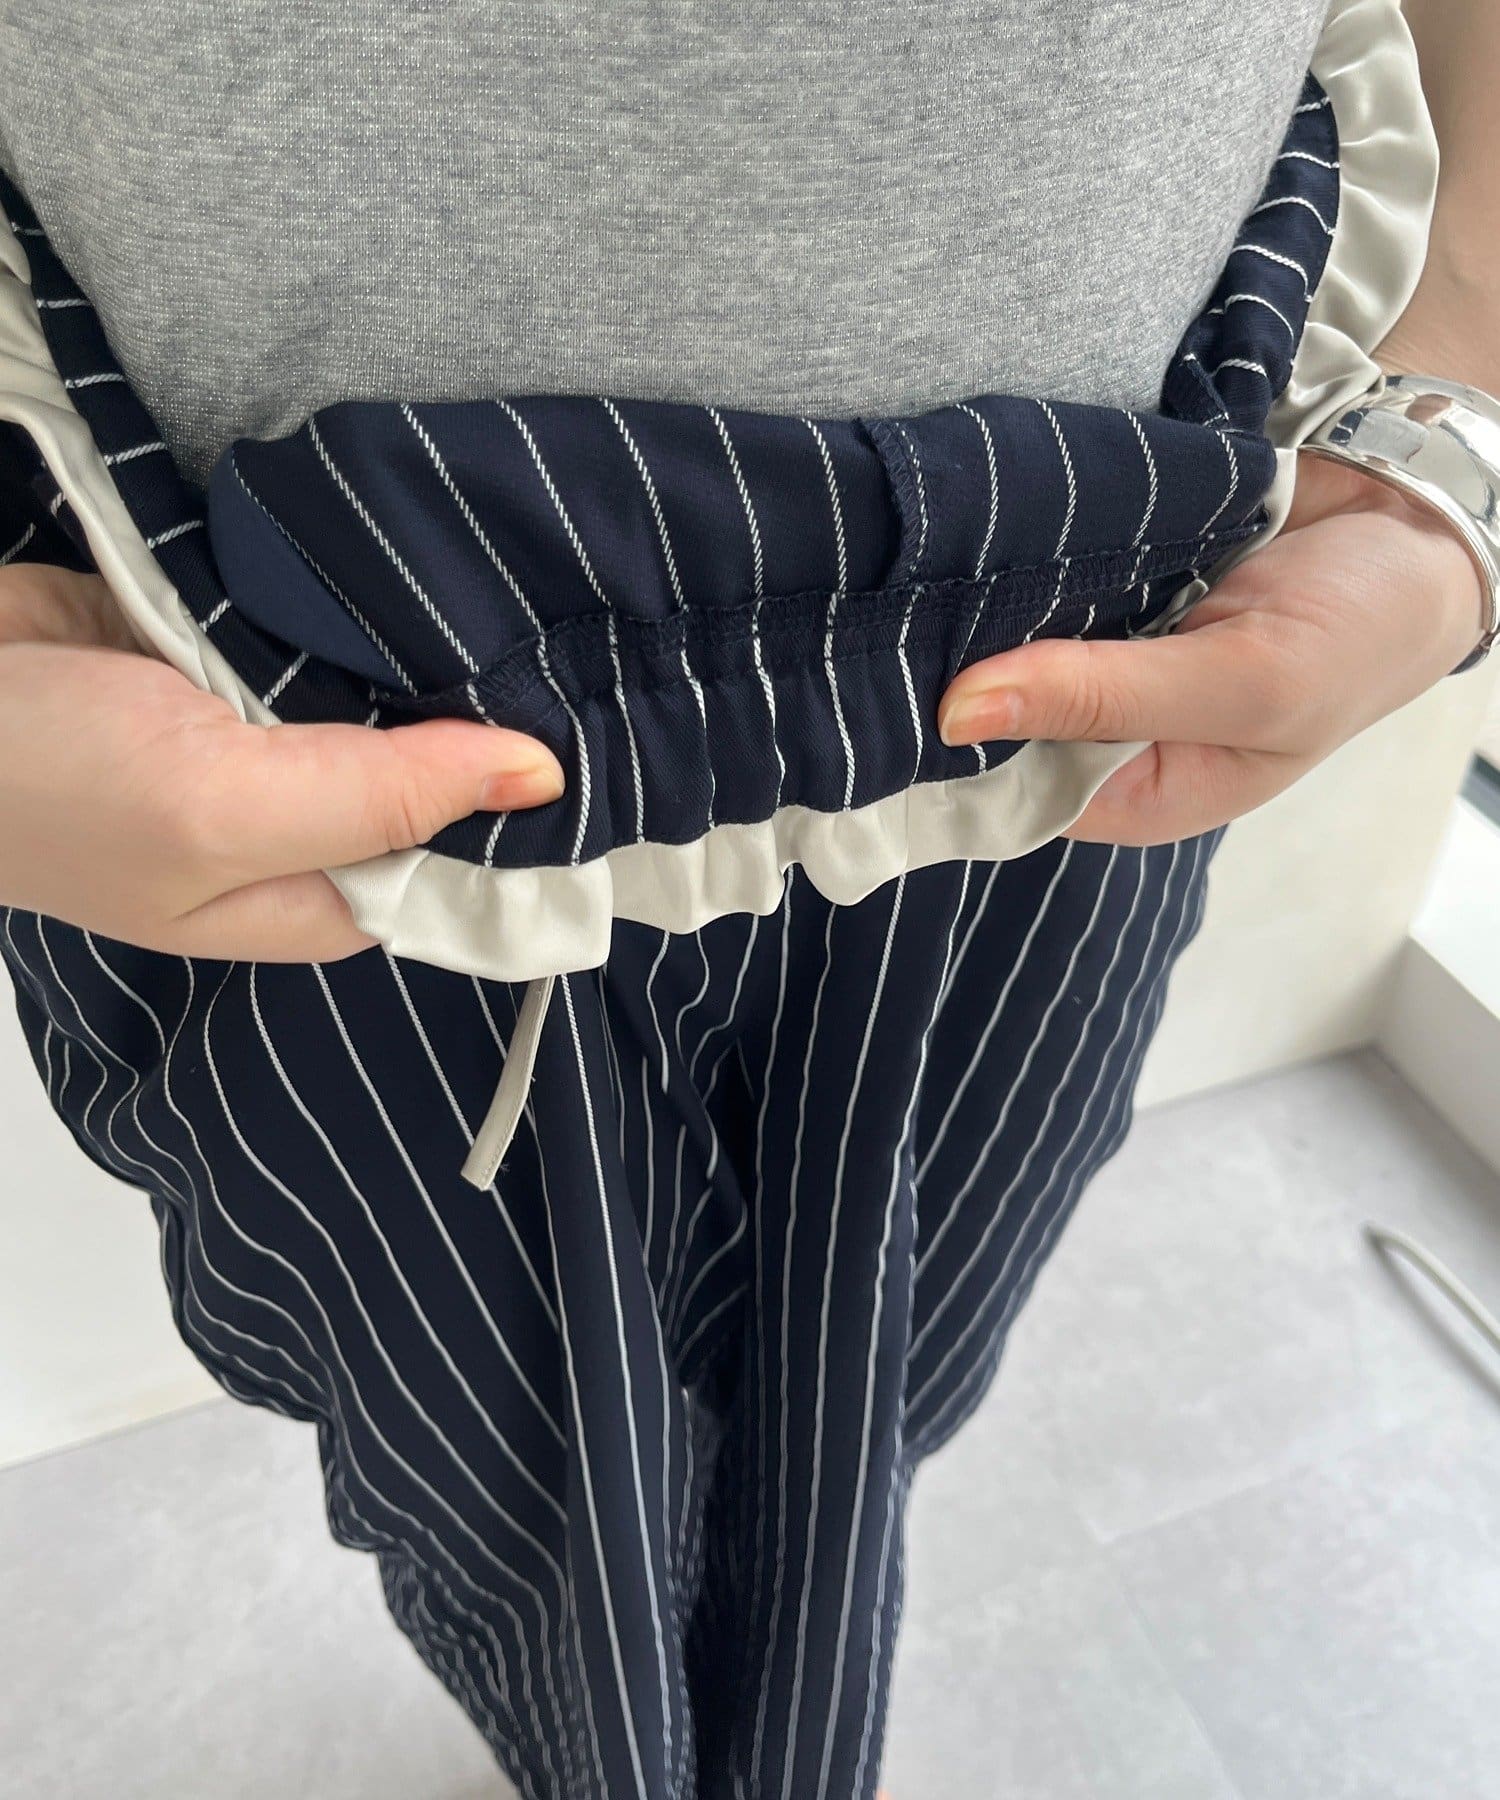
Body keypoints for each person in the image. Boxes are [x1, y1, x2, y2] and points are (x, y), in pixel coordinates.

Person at [0, 3, 1492, 1795]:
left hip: (1091, 692)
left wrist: (1460, 408)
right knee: (492, 1504)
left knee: (893, 1387)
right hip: (275, 761)